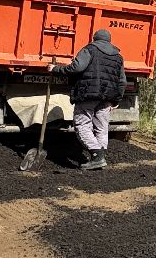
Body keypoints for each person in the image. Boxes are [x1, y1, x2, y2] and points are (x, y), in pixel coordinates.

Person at [52, 29, 125, 170]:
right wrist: (117, 99)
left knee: (82, 124)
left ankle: (97, 156)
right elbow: (122, 80)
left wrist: (56, 69)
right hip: (107, 96)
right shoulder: (118, 56)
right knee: (101, 126)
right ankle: (100, 156)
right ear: (109, 40)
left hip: (88, 93)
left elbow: (77, 67)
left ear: (94, 38)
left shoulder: (89, 49)